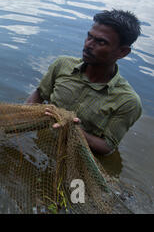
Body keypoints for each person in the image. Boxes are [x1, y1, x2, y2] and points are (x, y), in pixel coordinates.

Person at [26, 9, 142, 155]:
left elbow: (107, 146)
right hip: (41, 145)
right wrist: (24, 117)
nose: (88, 45)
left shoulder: (128, 101)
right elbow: (39, 93)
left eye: (101, 42)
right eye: (89, 36)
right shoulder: (62, 65)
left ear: (122, 52)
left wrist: (74, 131)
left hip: (77, 156)